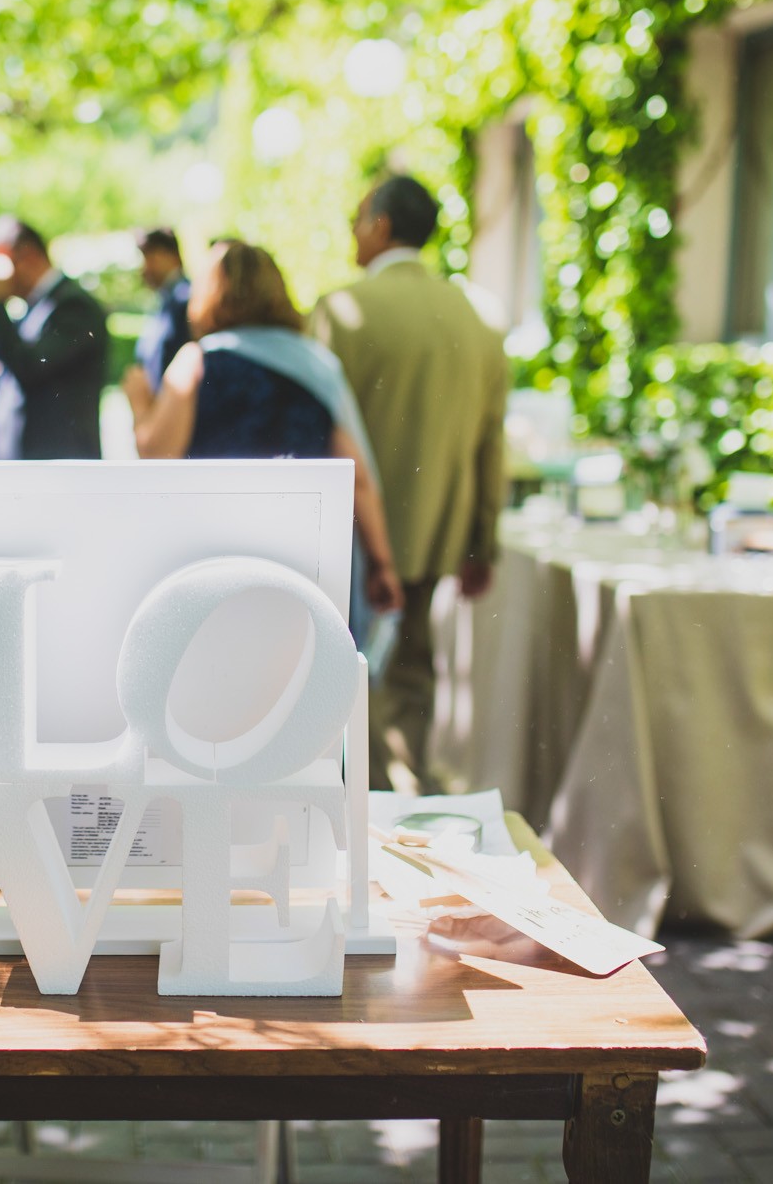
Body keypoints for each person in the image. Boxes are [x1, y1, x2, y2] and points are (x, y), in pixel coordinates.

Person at [309, 175, 509, 794]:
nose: (352, 229)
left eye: (358, 216)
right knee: (414, 670)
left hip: (348, 534)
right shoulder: (478, 318)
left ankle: (358, 805)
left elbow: (317, 426)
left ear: (382, 226)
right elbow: (490, 443)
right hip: (434, 532)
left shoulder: (341, 311)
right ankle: (407, 797)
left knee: (337, 675)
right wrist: (483, 542)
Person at [123, 240, 403, 619]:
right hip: (304, 555)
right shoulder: (318, 364)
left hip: (217, 554)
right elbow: (358, 479)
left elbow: (156, 455)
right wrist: (382, 563)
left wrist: (141, 404)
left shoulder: (196, 362)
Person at [0, 216, 107, 459]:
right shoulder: (34, 308)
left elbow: (32, 367)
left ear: (27, 256)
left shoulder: (74, 307)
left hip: (57, 473)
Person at [133, 226, 193, 390]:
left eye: (149, 257)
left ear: (170, 255)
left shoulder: (185, 299)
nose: (144, 268)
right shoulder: (165, 299)